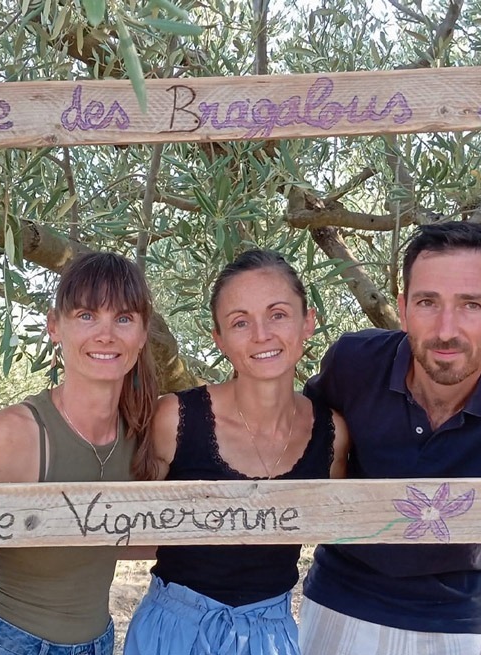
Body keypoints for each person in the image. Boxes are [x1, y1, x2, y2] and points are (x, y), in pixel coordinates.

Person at [299, 221, 481, 655]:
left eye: (471, 305)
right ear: (403, 310)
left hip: (457, 622)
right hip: (337, 603)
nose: (446, 330)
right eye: (428, 302)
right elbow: (291, 444)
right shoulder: (352, 364)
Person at [125, 249, 351, 655]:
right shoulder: (174, 419)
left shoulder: (332, 433)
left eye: (278, 314)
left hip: (272, 636)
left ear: (308, 322)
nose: (261, 334)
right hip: (172, 632)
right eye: (240, 322)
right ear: (219, 339)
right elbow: (126, 529)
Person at [0, 252, 158, 655]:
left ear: (142, 335)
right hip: (8, 643)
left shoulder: (142, 433)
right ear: (55, 326)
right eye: (87, 315)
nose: (105, 334)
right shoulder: (11, 437)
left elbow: (112, 536)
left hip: (99, 643)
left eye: (123, 318)